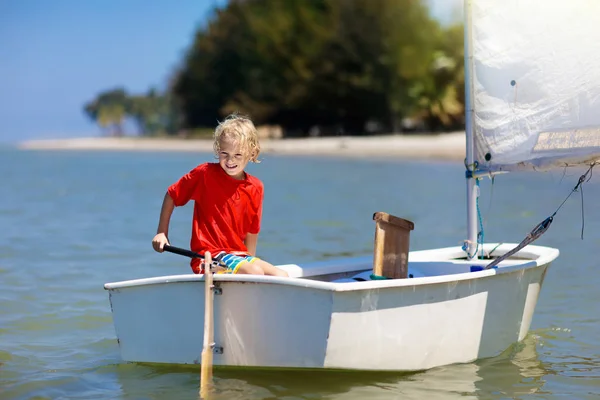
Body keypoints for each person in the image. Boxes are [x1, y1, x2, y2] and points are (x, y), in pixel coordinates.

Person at [151, 113, 288, 277]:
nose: (230, 160)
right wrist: (162, 233)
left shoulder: (256, 187)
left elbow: (252, 229)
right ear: (218, 149)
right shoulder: (205, 174)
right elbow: (172, 195)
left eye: (238, 155)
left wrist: (248, 260)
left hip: (239, 255)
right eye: (225, 154)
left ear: (252, 153)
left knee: (281, 275)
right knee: (254, 271)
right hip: (207, 257)